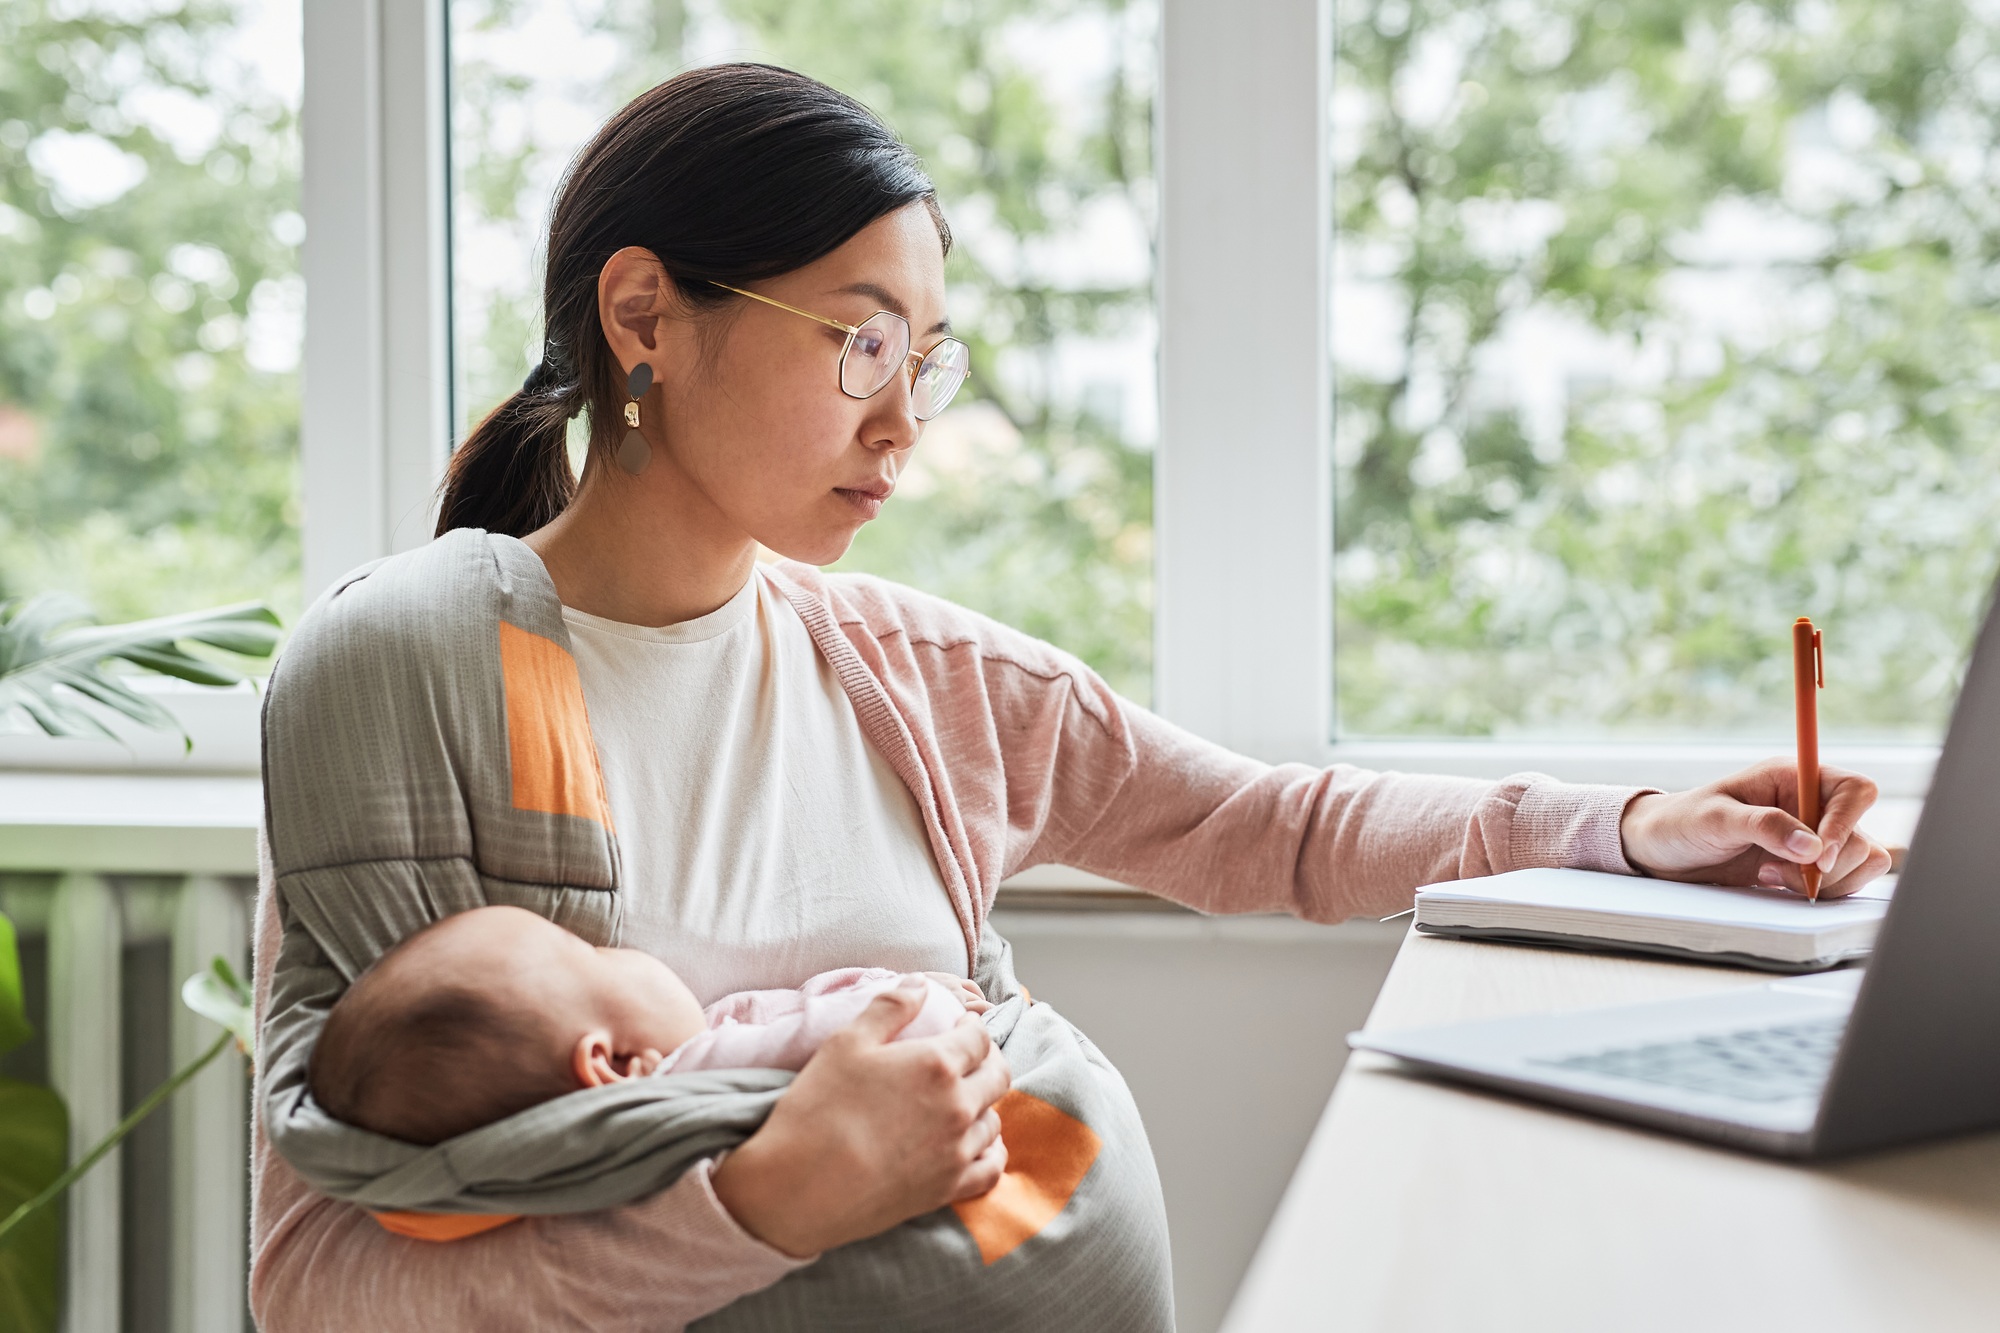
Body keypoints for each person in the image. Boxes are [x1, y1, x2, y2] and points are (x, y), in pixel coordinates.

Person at [249, 62, 1891, 1331]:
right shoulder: (410, 682)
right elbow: (321, 1281)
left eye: (928, 355)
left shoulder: (921, 677)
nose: (905, 421)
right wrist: (763, 1203)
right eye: (859, 342)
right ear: (642, 317)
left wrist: (1634, 828)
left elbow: (1277, 828)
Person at [307, 905, 982, 1148]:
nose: (610, 945)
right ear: (615, 1063)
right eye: (589, 955)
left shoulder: (692, 1057)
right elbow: (901, 1037)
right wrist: (914, 993)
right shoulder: (698, 1079)